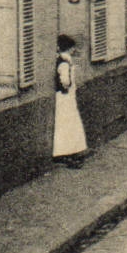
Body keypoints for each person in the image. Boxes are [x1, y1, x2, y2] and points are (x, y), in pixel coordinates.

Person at [53, 34, 88, 168]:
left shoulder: (64, 60)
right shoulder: (64, 62)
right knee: (67, 124)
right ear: (68, 48)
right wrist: (68, 85)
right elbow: (65, 82)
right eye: (72, 48)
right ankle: (66, 152)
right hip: (65, 98)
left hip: (67, 97)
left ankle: (71, 151)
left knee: (70, 124)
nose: (74, 50)